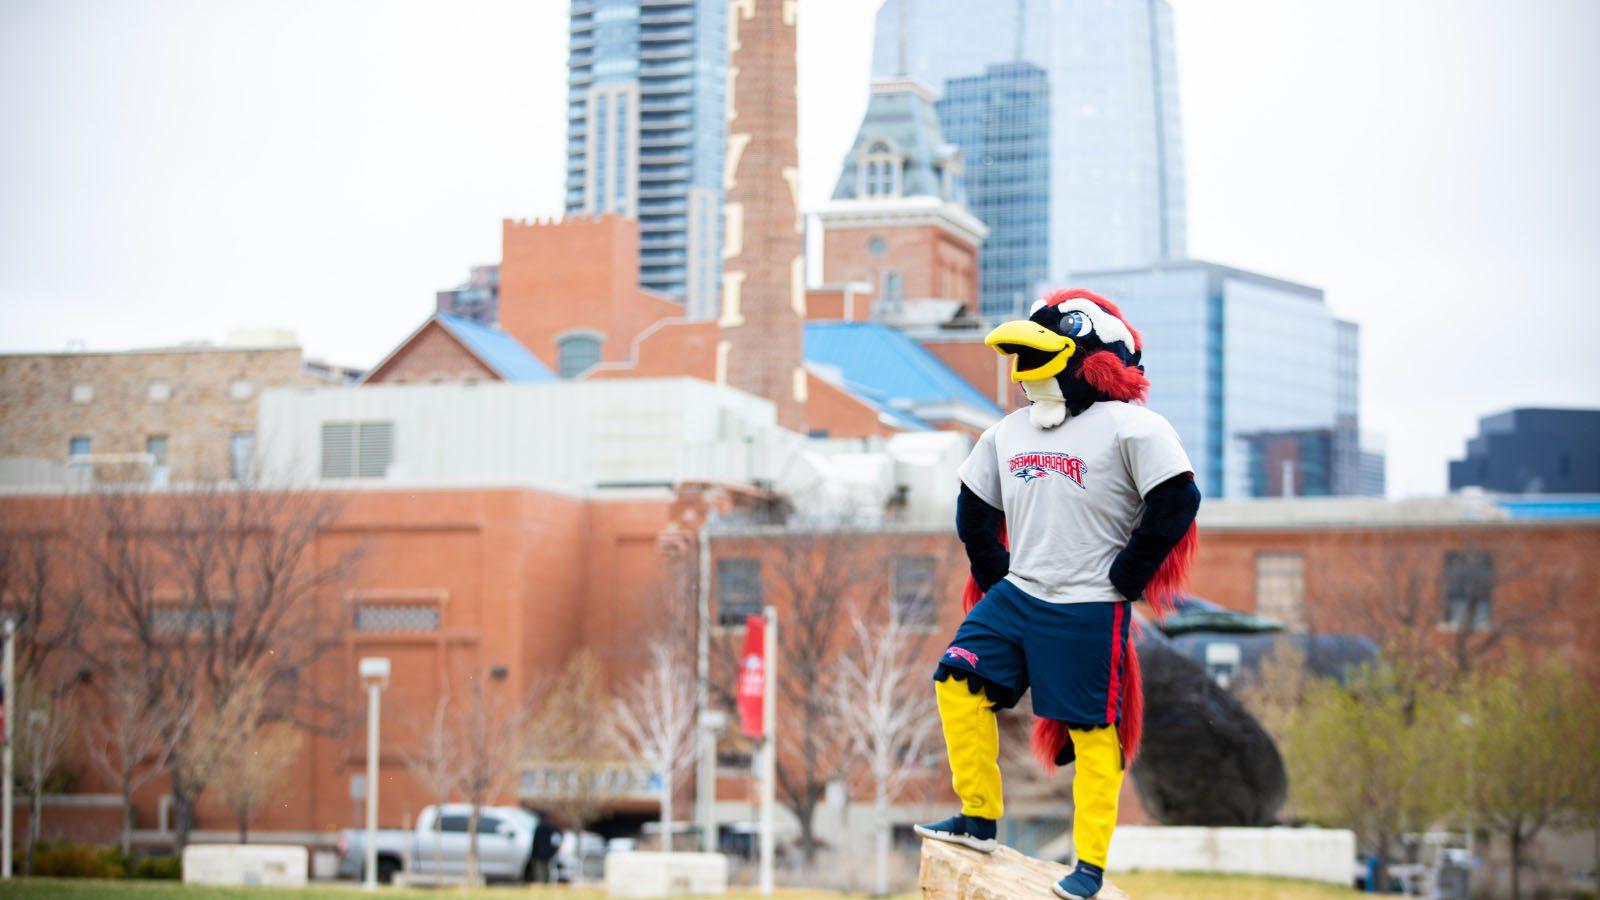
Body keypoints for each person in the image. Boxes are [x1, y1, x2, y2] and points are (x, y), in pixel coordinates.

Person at [914, 289, 1201, 899]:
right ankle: (978, 818)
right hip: (1019, 594)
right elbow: (972, 506)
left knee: (1093, 730)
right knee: (955, 682)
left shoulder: (1133, 426)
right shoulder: (1006, 432)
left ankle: (1090, 865)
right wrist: (994, 571)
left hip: (1089, 603)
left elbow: (1178, 500)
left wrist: (1129, 574)